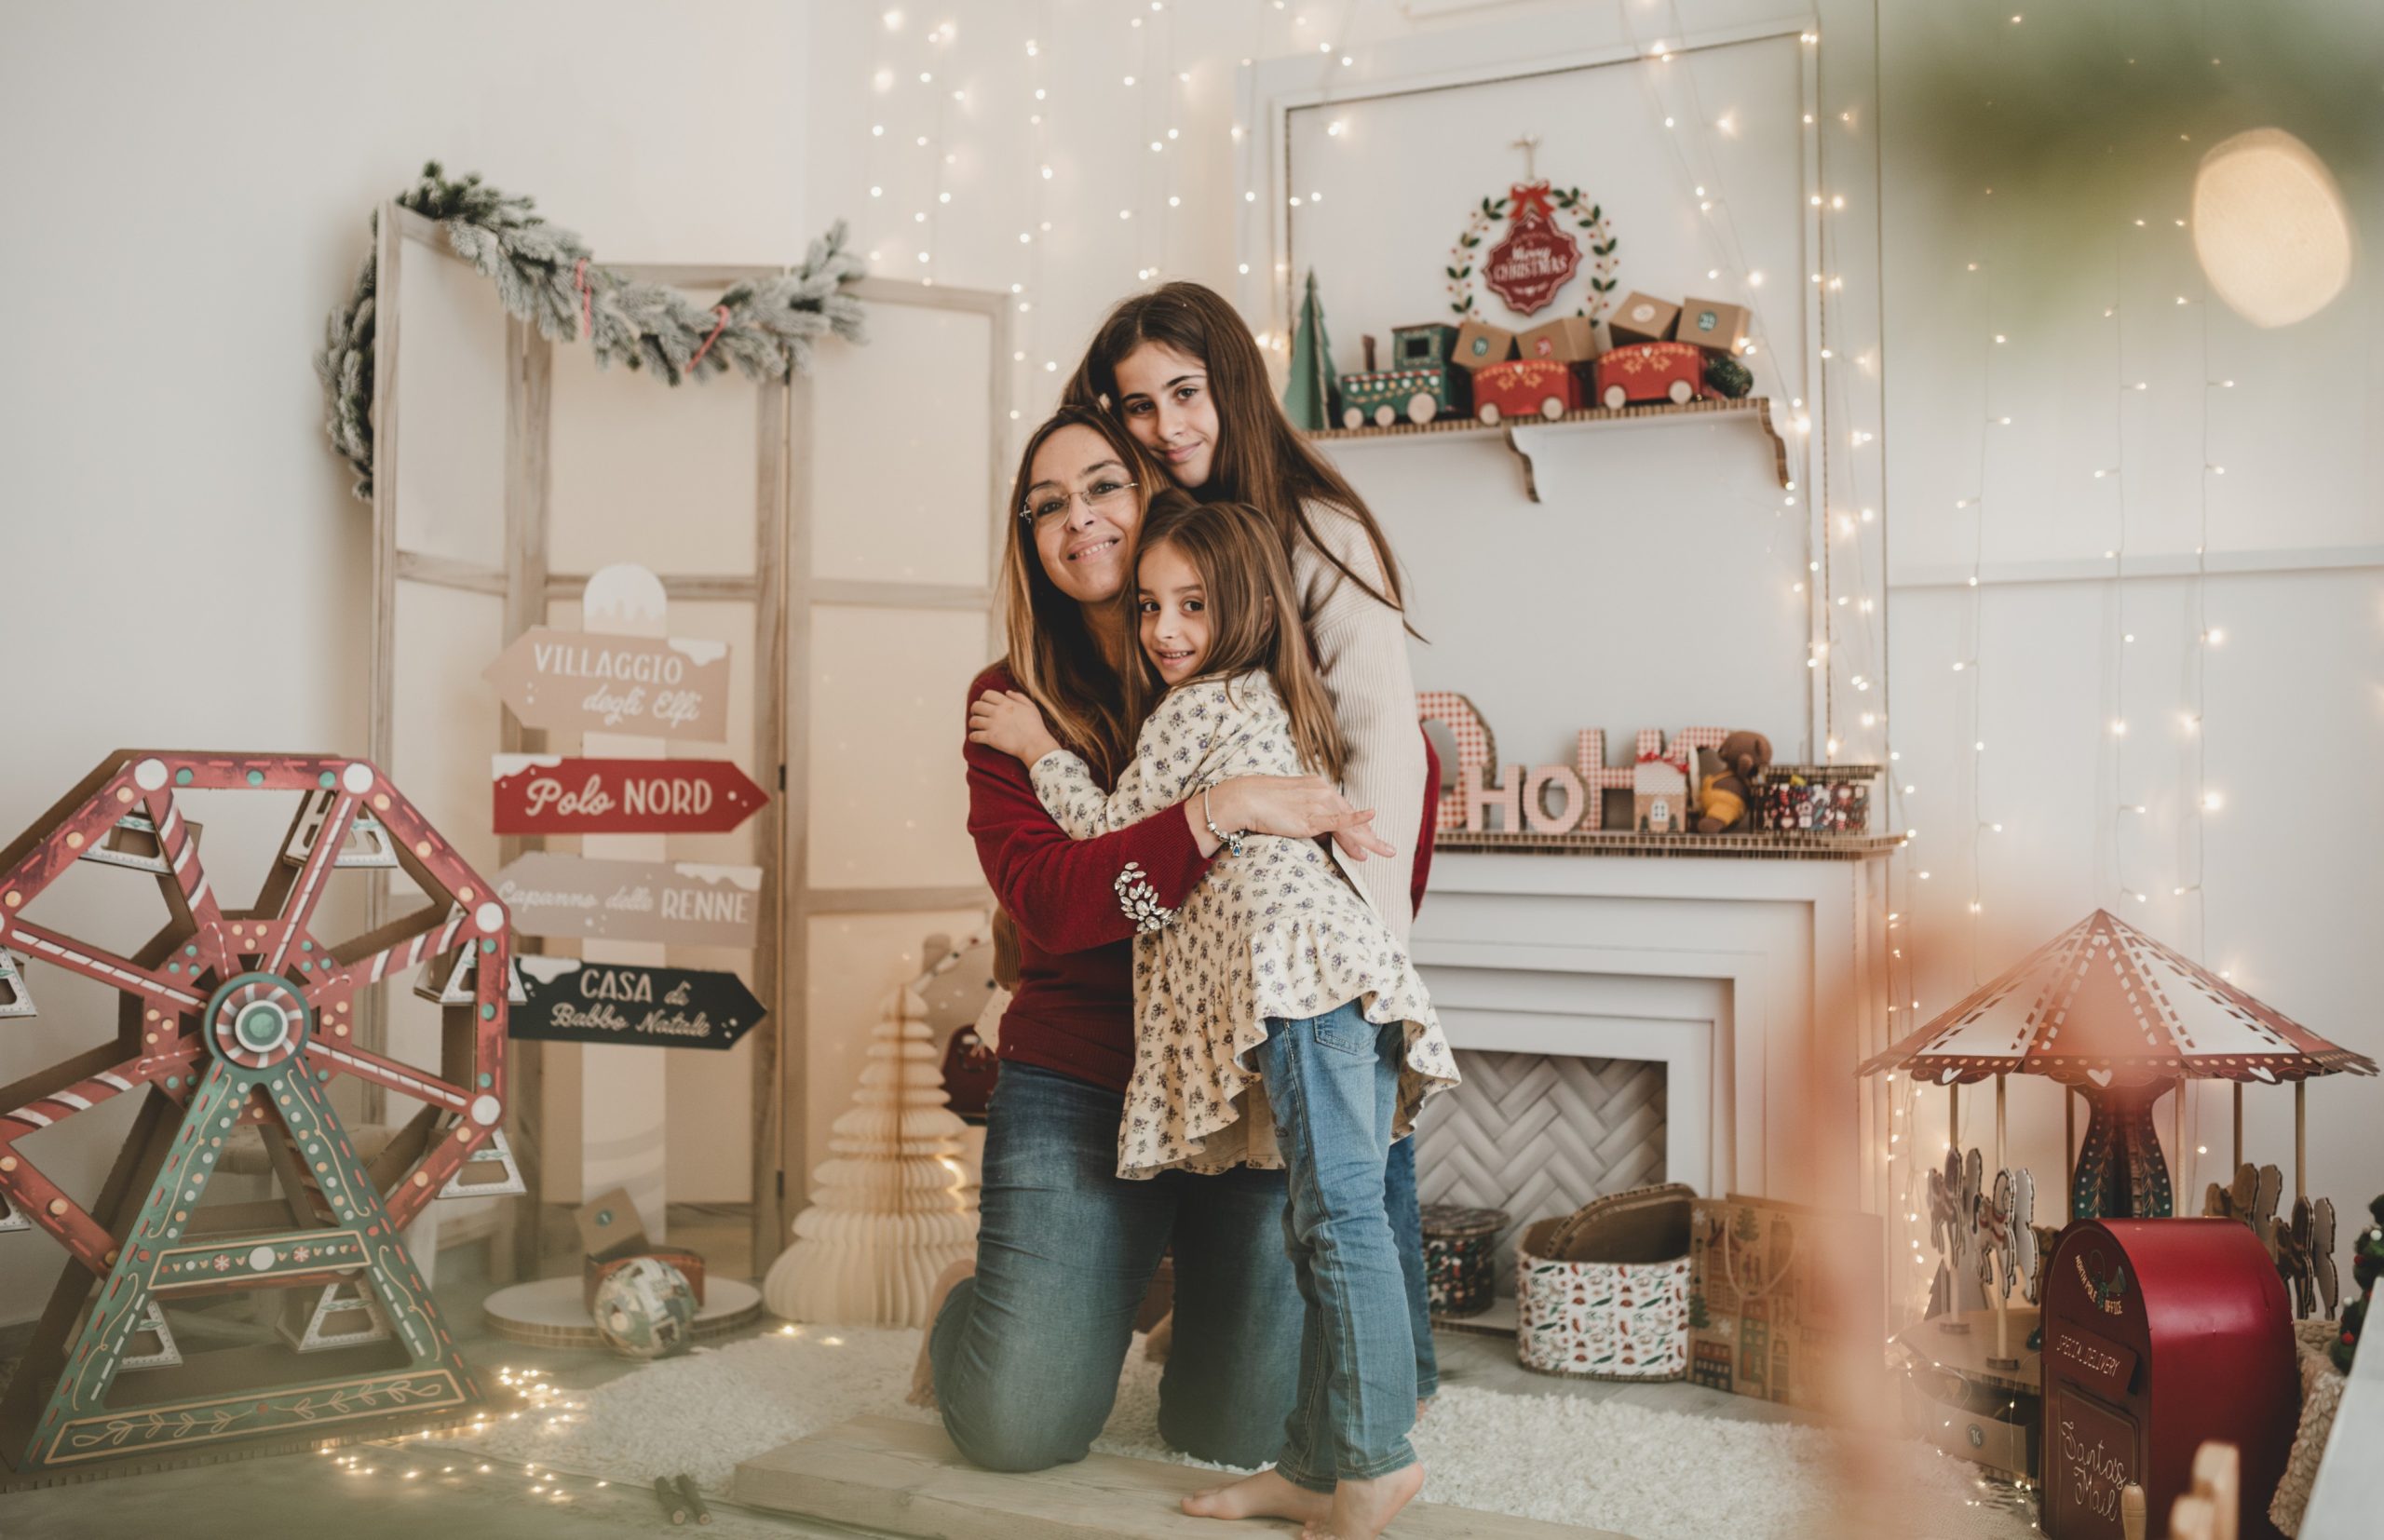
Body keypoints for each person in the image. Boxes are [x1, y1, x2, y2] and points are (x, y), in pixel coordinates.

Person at [917, 407, 1443, 1490]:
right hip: (1084, 1072)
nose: (1080, 520)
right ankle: (982, 1308)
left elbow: (1379, 818)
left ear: (1153, 499)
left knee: (1236, 1431)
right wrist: (1220, 810)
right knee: (1017, 1426)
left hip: (1234, 1071)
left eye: (1103, 486)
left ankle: (1160, 1299)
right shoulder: (1008, 699)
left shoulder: (1261, 662)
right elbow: (1057, 908)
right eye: (1047, 504)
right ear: (1028, 538)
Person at [1066, 279, 1442, 1415]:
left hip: (1324, 913)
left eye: (1184, 391)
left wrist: (1370, 949)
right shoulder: (1174, 545)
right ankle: (1389, 1391)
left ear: (1232, 381)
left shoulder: (1316, 525)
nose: (1165, 426)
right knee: (1351, 1169)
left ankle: (1385, 1409)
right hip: (1238, 912)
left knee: (1354, 1169)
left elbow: (1384, 741)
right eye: (1135, 406)